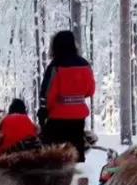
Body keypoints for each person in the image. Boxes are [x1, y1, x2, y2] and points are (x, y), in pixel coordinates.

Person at [38, 30, 95, 162]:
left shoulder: (55, 66)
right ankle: (79, 174)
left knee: (51, 154)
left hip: (57, 119)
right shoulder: (85, 65)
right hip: (78, 119)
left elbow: (47, 95)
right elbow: (90, 90)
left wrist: (43, 112)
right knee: (77, 149)